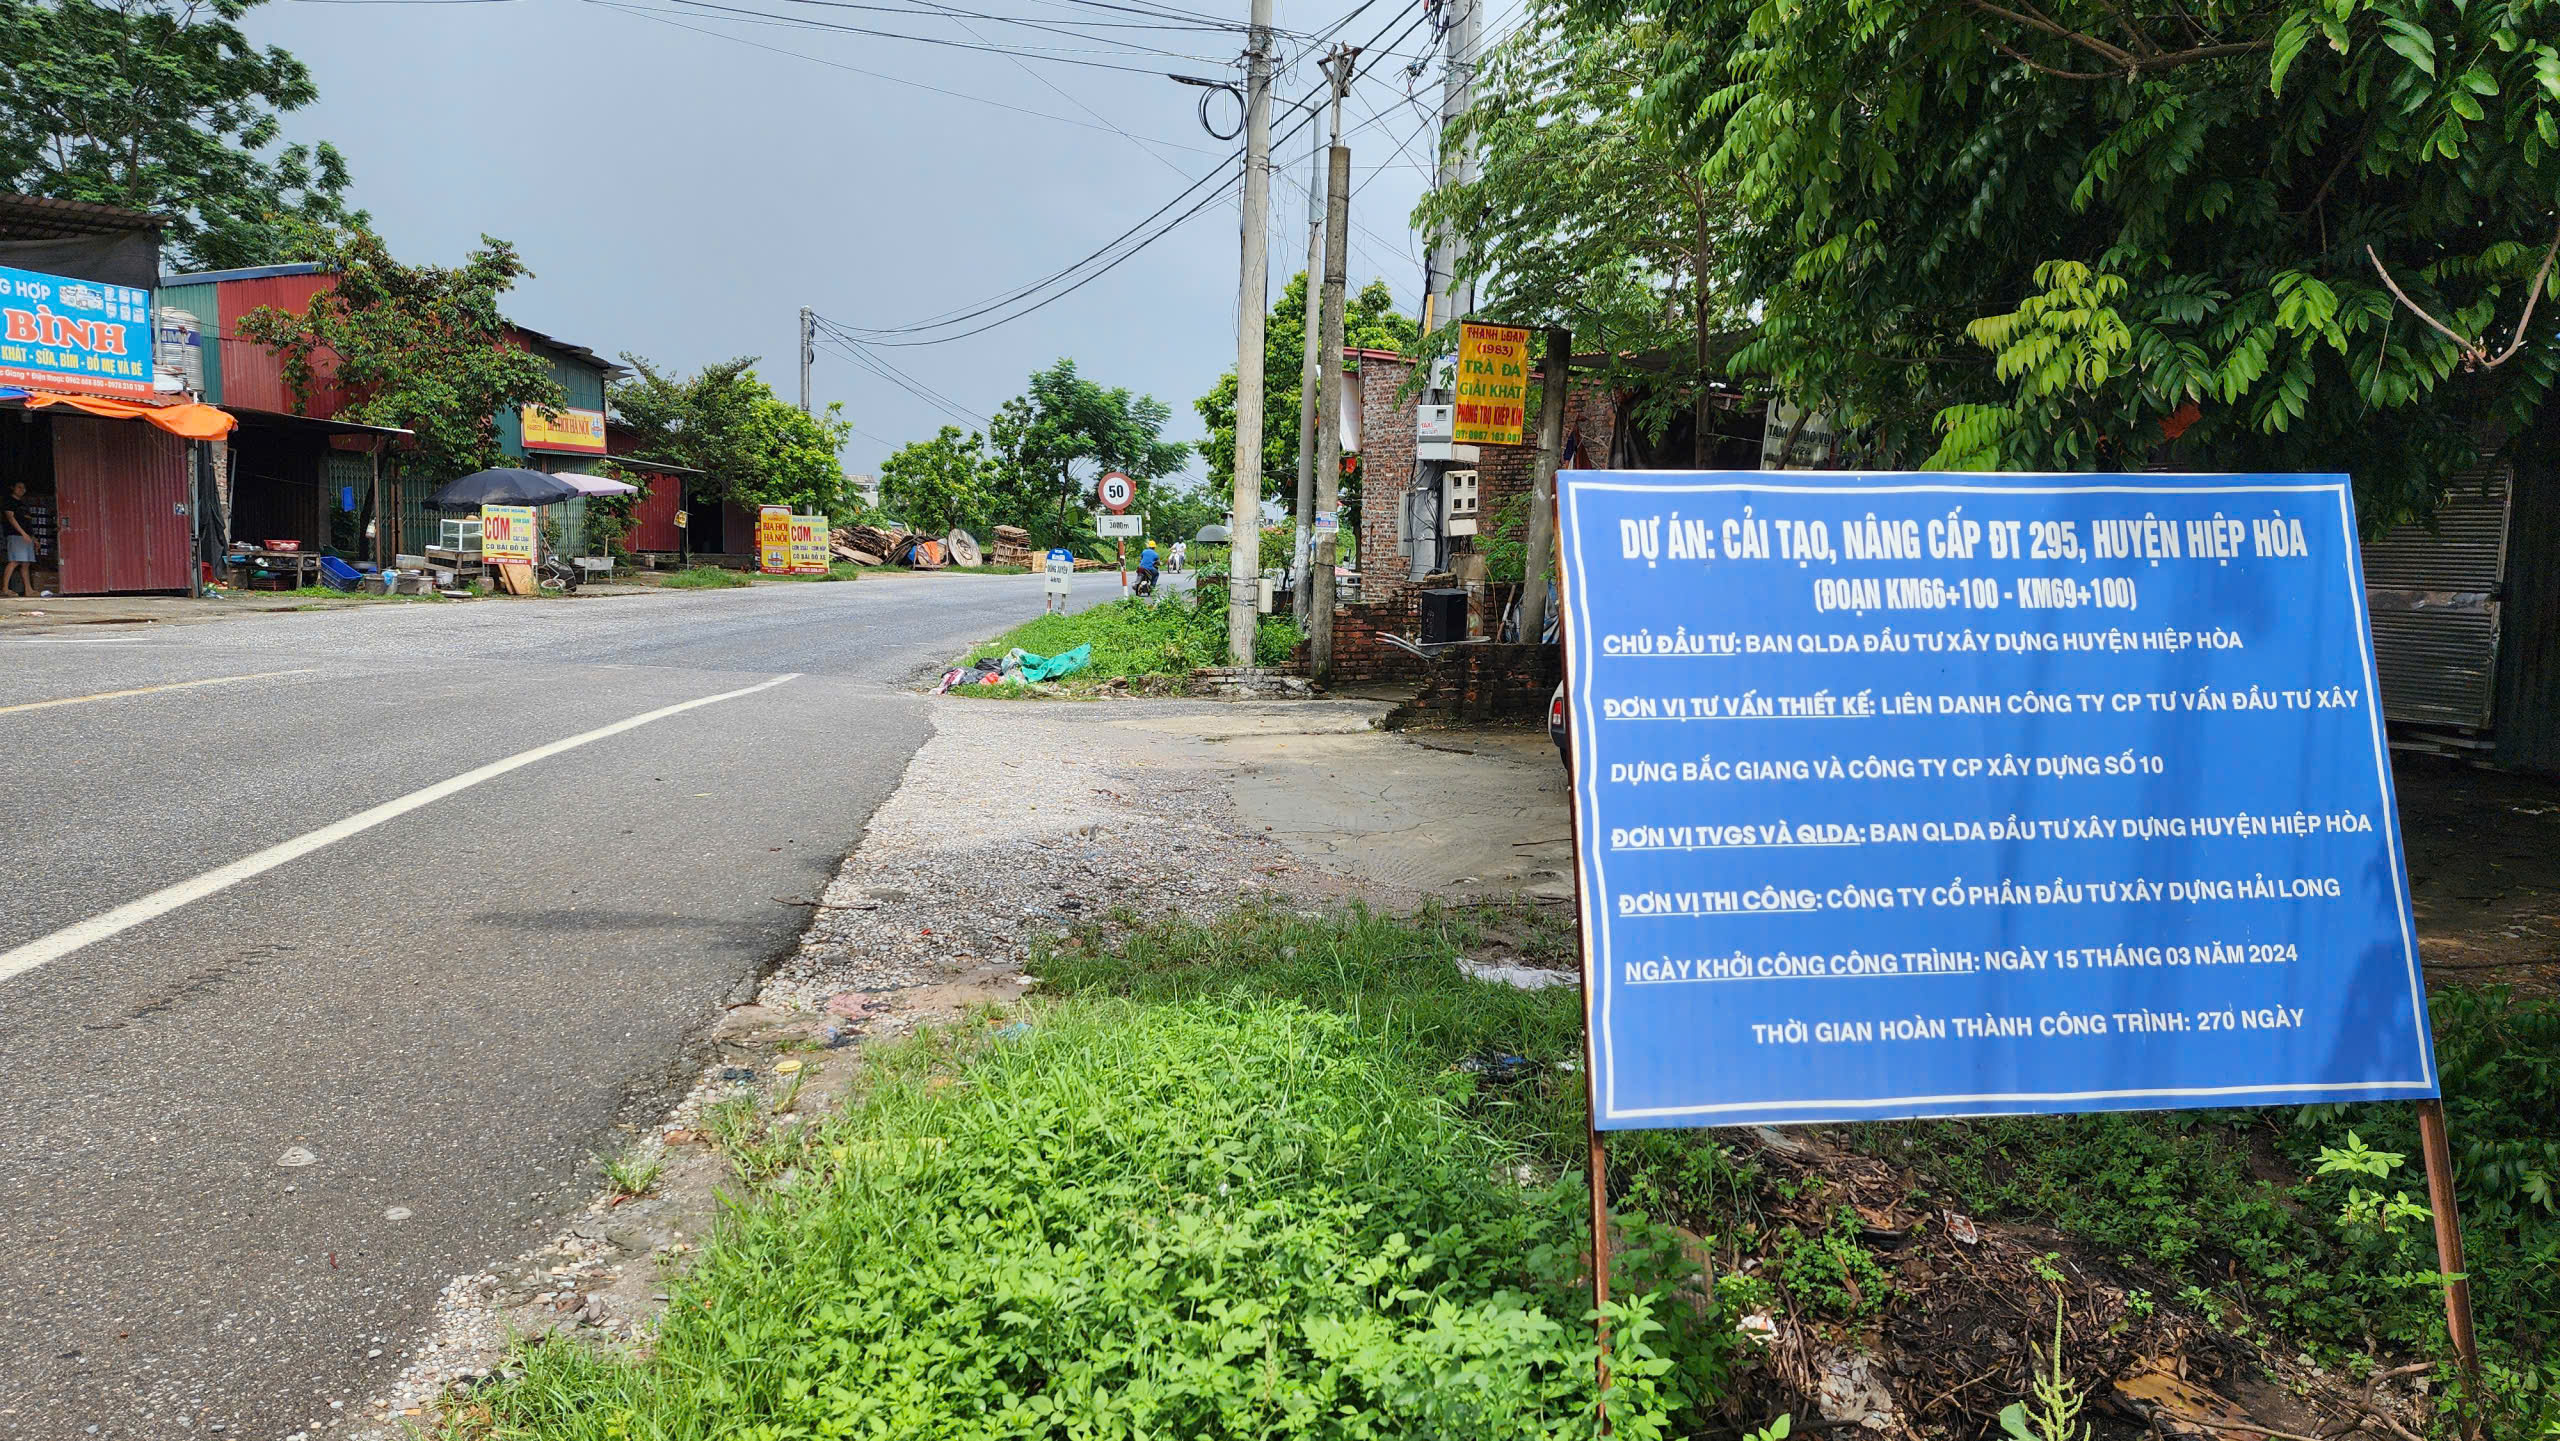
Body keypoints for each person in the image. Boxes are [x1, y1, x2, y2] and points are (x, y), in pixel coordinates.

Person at [3, 483, 35, 598]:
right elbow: (10, 518)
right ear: (13, 488)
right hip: (16, 535)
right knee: (15, 561)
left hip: (27, 537)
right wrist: (22, 533)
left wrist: (34, 538)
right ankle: (5, 589)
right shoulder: (9, 501)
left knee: (26, 563)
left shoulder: (23, 504)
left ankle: (28, 590)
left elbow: (28, 523)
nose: (22, 489)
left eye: (24, 488)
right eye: (19, 487)